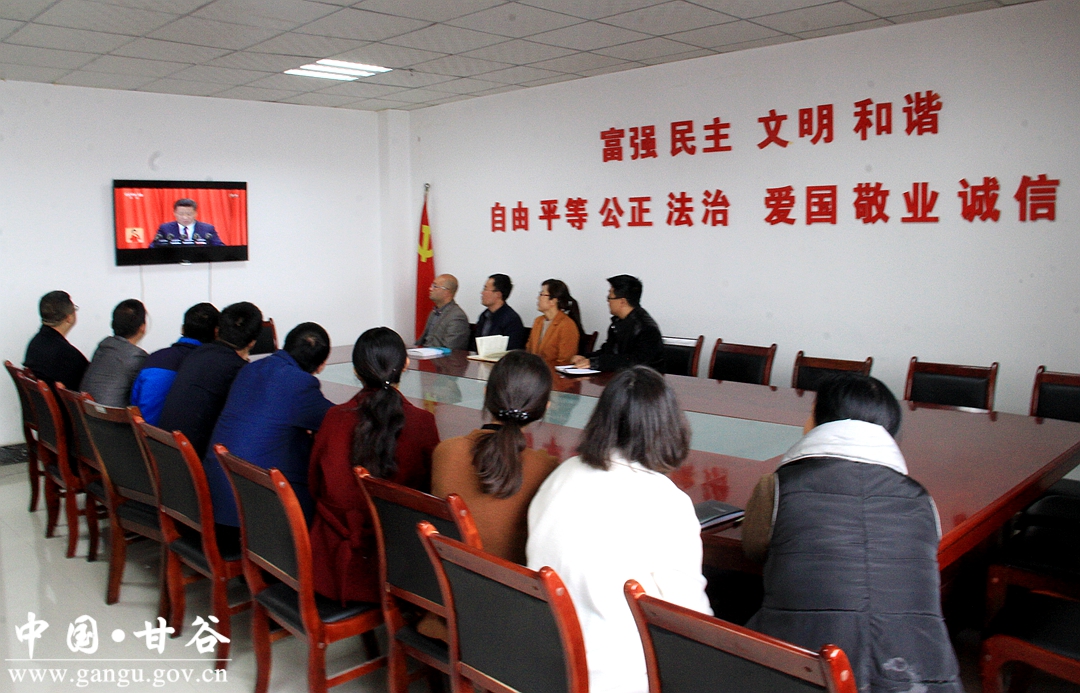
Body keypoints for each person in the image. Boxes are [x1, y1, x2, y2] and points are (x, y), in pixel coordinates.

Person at [742, 374, 963, 693]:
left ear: (820, 421)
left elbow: (753, 549)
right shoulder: (920, 499)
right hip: (919, 677)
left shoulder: (778, 486)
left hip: (804, 669)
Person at [527, 365, 711, 693]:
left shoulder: (562, 474)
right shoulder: (667, 501)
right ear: (668, 426)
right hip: (615, 677)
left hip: (541, 658)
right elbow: (690, 617)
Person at [308, 327, 440, 603]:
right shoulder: (422, 423)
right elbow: (431, 497)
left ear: (356, 371)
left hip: (329, 566)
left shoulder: (334, 418)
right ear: (406, 364)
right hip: (397, 569)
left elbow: (314, 485)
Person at [203, 323, 334, 530]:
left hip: (217, 499)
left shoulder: (251, 368)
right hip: (257, 513)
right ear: (321, 365)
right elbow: (337, 422)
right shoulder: (299, 384)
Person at [432, 350, 558, 564]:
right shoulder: (546, 469)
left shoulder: (446, 451)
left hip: (445, 577)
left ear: (485, 394)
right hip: (508, 584)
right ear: (545, 407)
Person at [157, 301, 262, 459]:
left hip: (168, 456)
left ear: (217, 330)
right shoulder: (239, 372)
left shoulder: (197, 353)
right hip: (195, 463)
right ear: (252, 343)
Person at [130, 302, 219, 425]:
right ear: (216, 333)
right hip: (176, 435)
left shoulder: (154, 359)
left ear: (182, 329)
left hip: (142, 433)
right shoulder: (211, 366)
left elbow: (134, 405)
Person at [571, 274, 663, 372]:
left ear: (622, 301)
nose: (608, 301)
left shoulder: (646, 328)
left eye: (610, 297)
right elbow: (608, 352)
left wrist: (596, 363)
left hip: (642, 379)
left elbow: (636, 362)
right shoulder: (618, 322)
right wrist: (585, 358)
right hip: (620, 376)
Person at [80, 299, 148, 407]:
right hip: (111, 417)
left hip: (86, 414)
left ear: (113, 324)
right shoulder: (137, 357)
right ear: (142, 327)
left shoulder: (103, 347)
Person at [23, 290, 88, 390]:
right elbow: (91, 383)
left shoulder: (35, 344)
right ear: (69, 318)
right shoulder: (67, 354)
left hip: (40, 400)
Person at [526, 279, 584, 368]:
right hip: (534, 371)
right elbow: (529, 350)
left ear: (553, 301)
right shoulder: (538, 321)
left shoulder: (567, 325)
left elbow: (564, 361)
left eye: (542, 294)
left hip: (553, 373)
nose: (538, 298)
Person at [472, 273, 526, 351]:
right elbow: (474, 344)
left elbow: (512, 350)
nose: (482, 293)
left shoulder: (512, 320)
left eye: (485, 289)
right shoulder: (484, 316)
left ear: (498, 294)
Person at [417, 274, 470, 350]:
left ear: (447, 291)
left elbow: (451, 348)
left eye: (435, 286)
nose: (430, 289)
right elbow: (424, 340)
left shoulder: (457, 316)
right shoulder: (434, 312)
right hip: (426, 353)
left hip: (441, 356)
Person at [149, 198, 224, 247]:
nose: (185, 217)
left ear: (195, 213)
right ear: (174, 213)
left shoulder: (207, 229)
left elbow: (219, 247)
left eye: (189, 214)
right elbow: (153, 247)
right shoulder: (165, 228)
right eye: (181, 214)